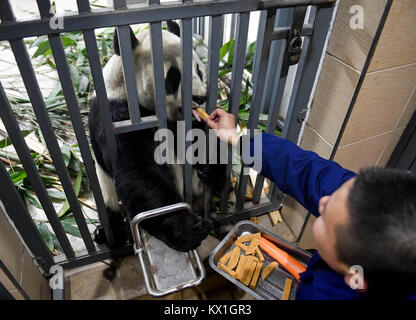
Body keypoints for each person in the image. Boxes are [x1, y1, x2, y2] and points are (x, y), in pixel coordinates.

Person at [205, 108, 416, 300]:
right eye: (338, 195)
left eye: (325, 219)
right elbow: (312, 174)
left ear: (355, 276)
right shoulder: (370, 206)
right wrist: (237, 139)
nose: (322, 202)